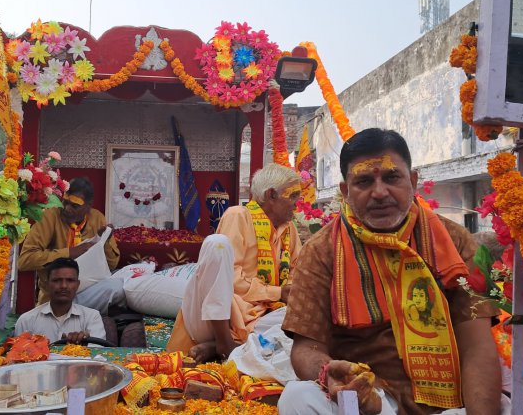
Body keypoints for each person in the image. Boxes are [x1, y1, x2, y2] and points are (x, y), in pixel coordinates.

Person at [278, 128, 502, 415]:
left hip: (451, 403)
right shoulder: (322, 250)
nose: (380, 192)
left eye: (392, 177)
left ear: (412, 180)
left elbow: (477, 347)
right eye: (364, 181)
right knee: (297, 398)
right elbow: (306, 348)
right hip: (370, 403)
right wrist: (329, 375)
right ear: (345, 192)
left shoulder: (456, 241)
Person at [166, 163, 303, 362]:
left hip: (261, 319)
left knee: (313, 324)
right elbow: (230, 278)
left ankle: (234, 346)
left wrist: (290, 292)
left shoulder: (290, 230)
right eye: (292, 196)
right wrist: (278, 293)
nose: (296, 204)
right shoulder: (238, 215)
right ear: (272, 195)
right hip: (216, 318)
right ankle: (223, 342)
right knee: (217, 244)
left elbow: (296, 272)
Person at [18, 177, 123, 314]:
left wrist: (106, 241)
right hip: (54, 297)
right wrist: (69, 253)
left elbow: (112, 265)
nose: (67, 209)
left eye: (75, 206)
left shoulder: (97, 218)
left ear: (88, 206)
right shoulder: (50, 216)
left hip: (87, 293)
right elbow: (24, 260)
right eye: (65, 202)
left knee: (117, 286)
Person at [14, 257, 106, 345]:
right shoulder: (26, 320)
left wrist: (82, 348)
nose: (64, 286)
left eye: (70, 280)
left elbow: (98, 356)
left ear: (77, 285)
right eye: (57, 280)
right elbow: (19, 357)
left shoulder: (92, 317)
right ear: (47, 285)